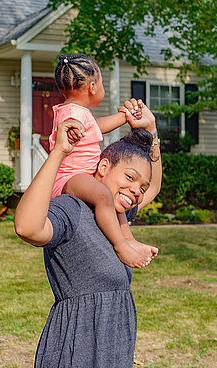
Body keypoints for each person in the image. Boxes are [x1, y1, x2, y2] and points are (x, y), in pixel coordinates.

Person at [14, 104, 161, 367]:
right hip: (77, 346)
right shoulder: (72, 208)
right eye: (130, 177)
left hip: (113, 346)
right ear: (103, 167)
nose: (137, 191)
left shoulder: (115, 216)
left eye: (141, 187)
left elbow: (155, 187)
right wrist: (59, 151)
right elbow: (27, 228)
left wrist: (150, 131)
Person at [49, 54, 157, 268]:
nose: (102, 87)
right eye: (101, 82)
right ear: (92, 86)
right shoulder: (71, 112)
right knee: (103, 194)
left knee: (115, 202)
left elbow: (95, 127)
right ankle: (121, 246)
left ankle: (129, 240)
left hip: (82, 176)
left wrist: (125, 117)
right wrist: (72, 129)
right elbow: (74, 125)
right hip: (70, 178)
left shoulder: (79, 112)